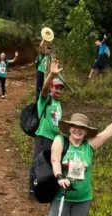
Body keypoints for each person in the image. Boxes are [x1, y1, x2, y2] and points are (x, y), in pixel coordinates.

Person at [49, 102, 112, 216]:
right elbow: (54, 160)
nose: (78, 130)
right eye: (75, 127)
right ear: (69, 128)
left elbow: (107, 133)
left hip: (83, 199)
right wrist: (59, 177)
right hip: (61, 196)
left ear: (86, 132)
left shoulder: (88, 146)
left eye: (82, 128)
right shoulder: (60, 140)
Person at [28, 59, 65, 198]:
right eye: (56, 88)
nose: (59, 90)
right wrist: (51, 74)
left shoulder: (58, 104)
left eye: (61, 88)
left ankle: (44, 190)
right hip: (43, 136)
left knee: (49, 165)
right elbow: (43, 89)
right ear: (51, 88)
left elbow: (57, 122)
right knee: (37, 162)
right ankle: (32, 190)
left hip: (53, 139)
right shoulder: (46, 99)